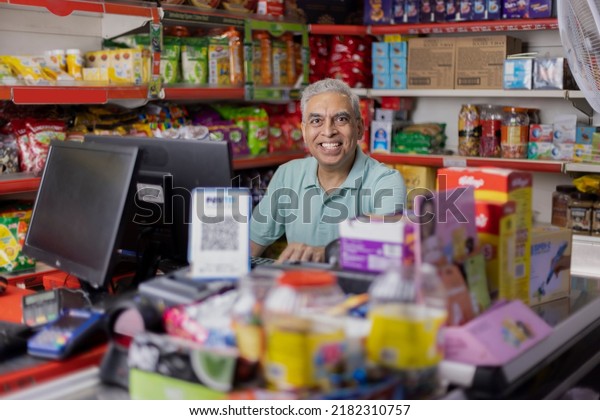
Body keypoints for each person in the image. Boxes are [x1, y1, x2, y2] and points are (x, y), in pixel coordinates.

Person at [250, 78, 406, 263]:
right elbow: (250, 247)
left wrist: (326, 253)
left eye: (341, 119)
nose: (328, 131)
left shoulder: (386, 181)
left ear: (359, 128)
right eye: (316, 120)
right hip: (299, 288)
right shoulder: (288, 174)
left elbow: (385, 251)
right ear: (304, 132)